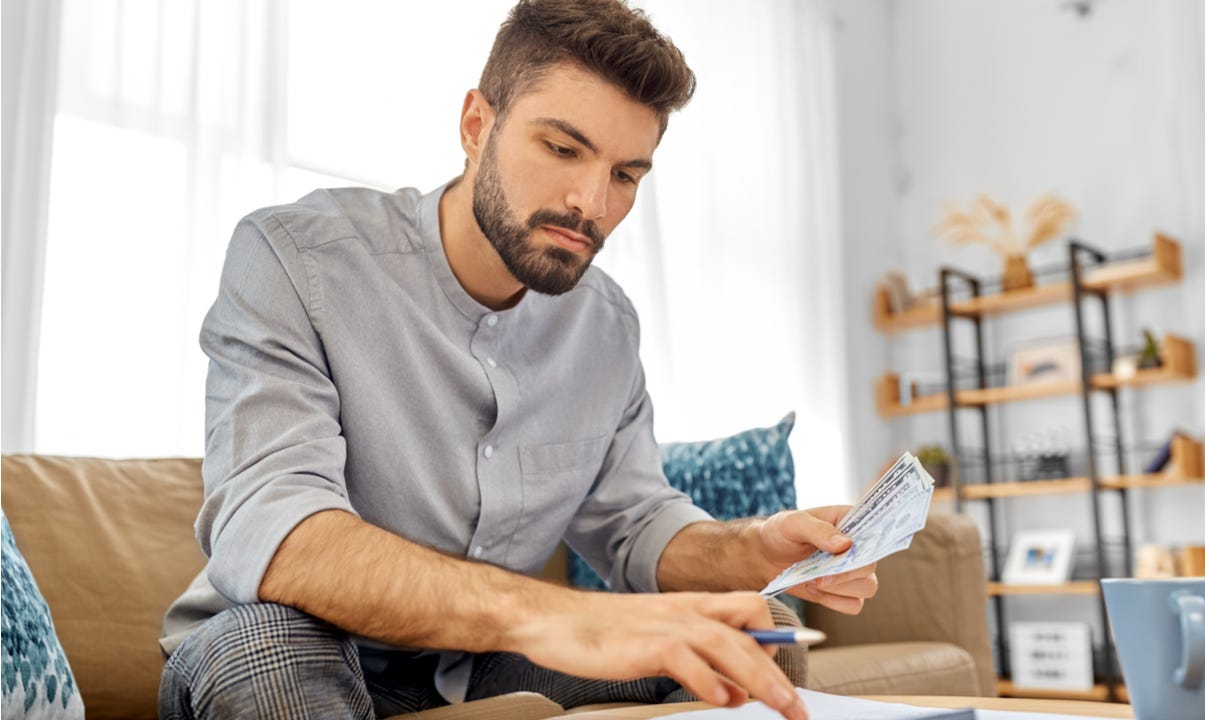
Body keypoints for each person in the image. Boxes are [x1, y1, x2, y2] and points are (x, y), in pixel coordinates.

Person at [158, 1, 878, 718]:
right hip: (284, 641)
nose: (589, 203)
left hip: (475, 667)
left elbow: (633, 522)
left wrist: (755, 549)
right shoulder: (294, 260)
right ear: (477, 126)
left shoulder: (605, 326)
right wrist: (553, 617)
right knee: (271, 649)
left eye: (625, 175)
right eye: (563, 149)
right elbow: (284, 538)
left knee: (752, 632)